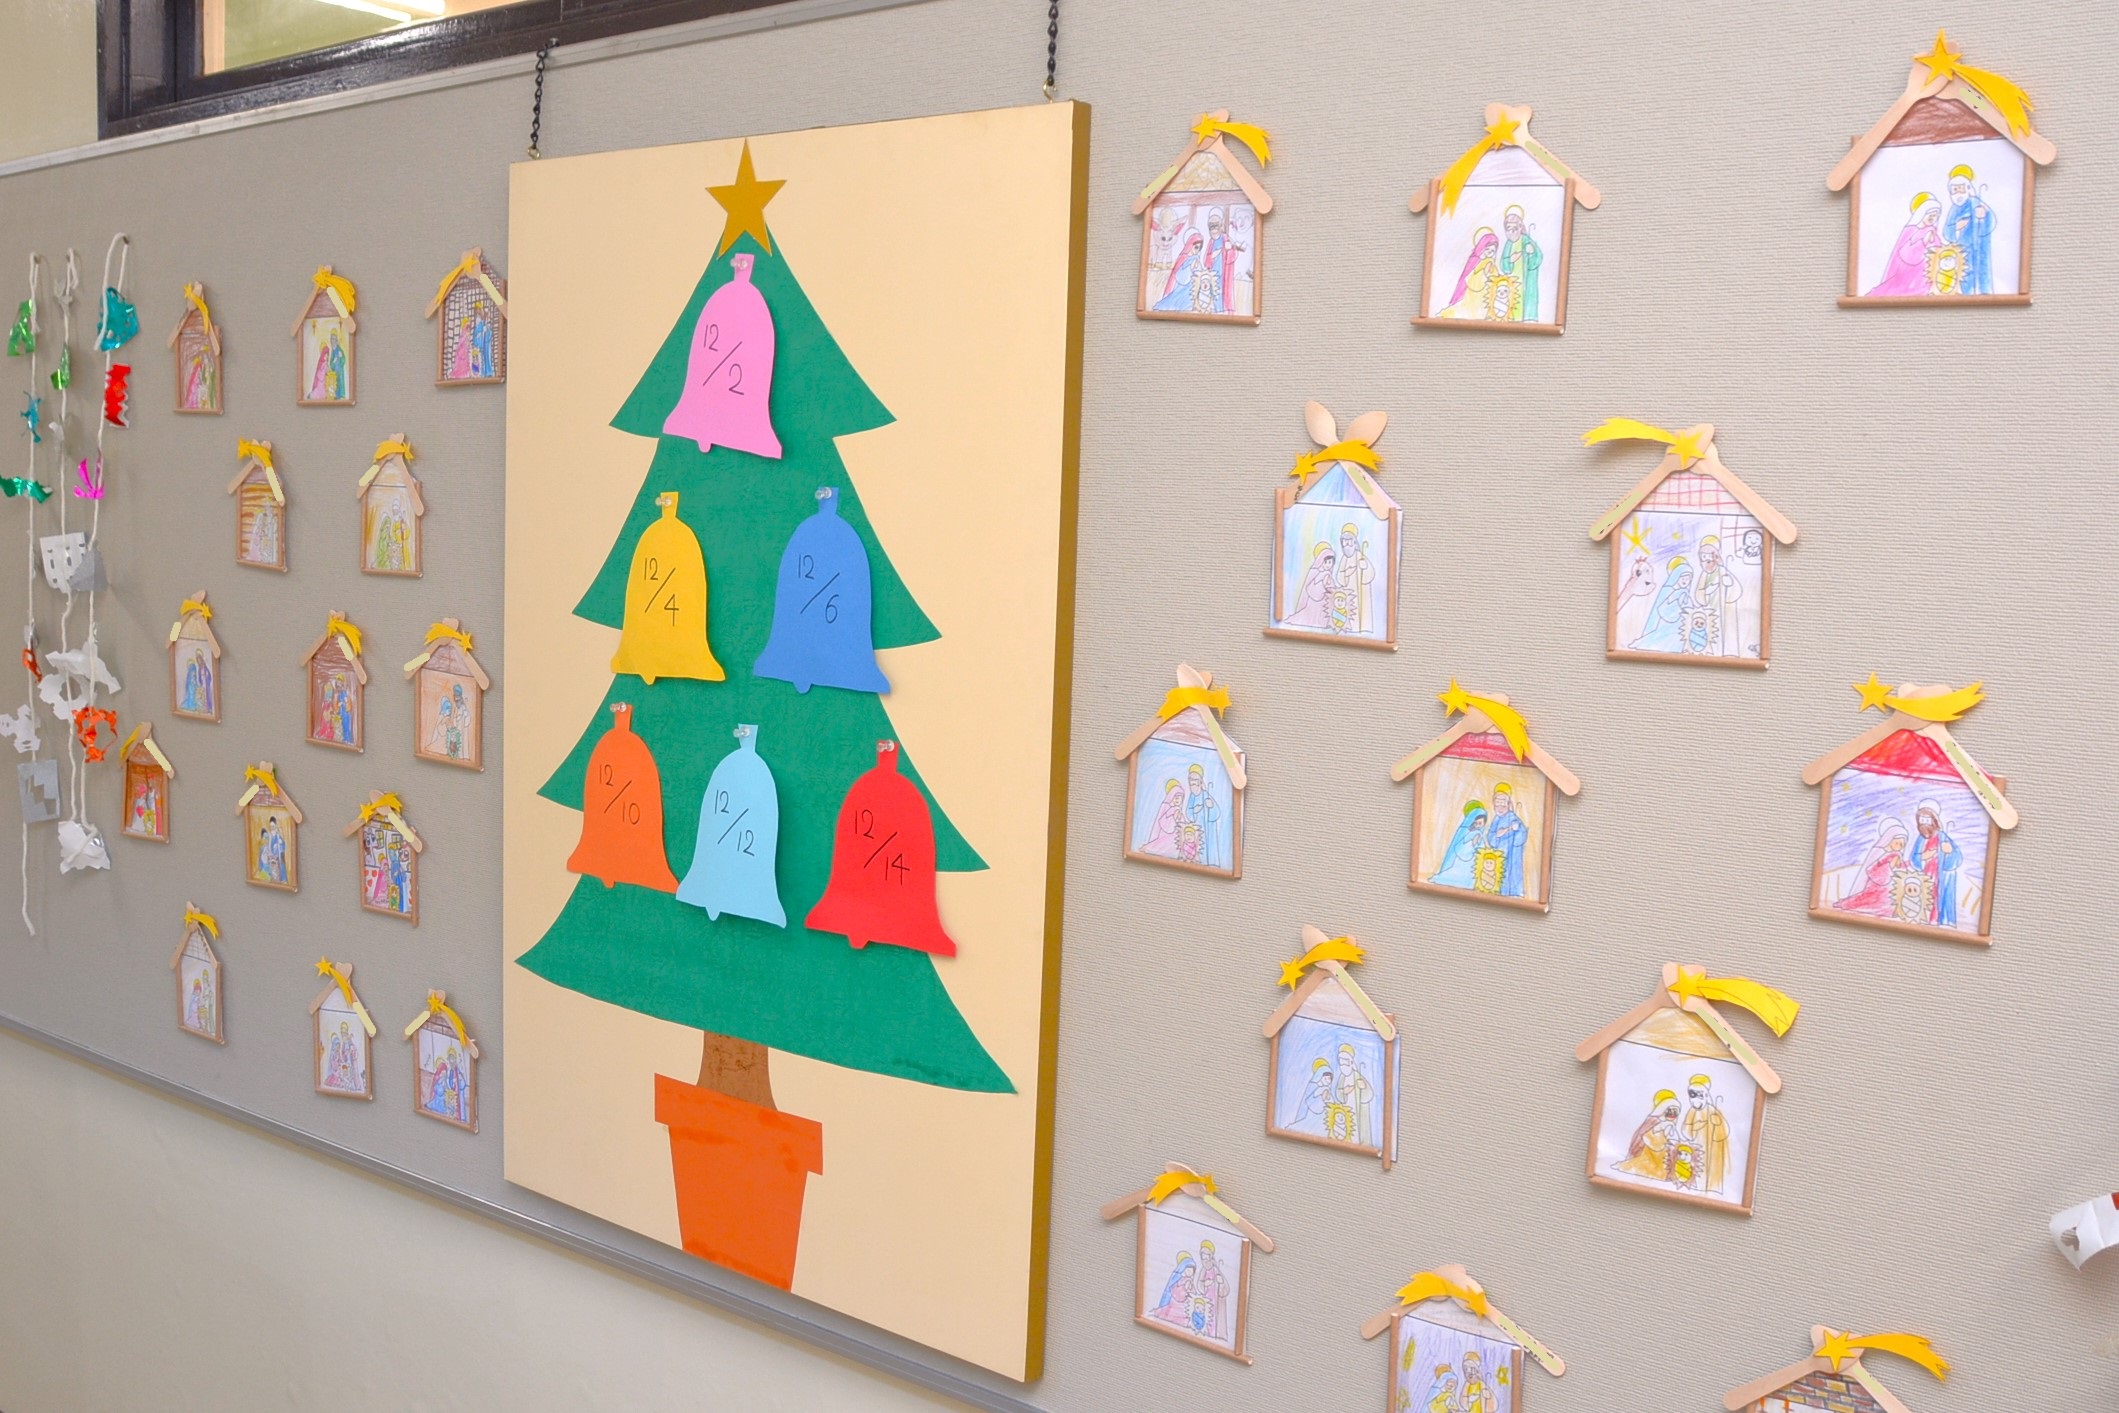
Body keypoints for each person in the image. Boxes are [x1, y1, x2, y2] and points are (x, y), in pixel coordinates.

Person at [1867, 192, 1946, 295]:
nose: (1932, 218)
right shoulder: (1911, 230)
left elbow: (1938, 251)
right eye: (1930, 215)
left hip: (1927, 277)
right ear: (1922, 214)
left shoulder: (1932, 232)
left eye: (1935, 216)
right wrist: (1923, 241)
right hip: (1908, 279)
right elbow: (1908, 257)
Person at [1835, 817, 1909, 917]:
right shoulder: (1879, 851)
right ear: (1890, 840)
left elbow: (1900, 869)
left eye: (1901, 844)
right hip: (1876, 884)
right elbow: (1874, 868)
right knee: (1872, 900)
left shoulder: (1897, 855)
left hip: (1888, 885)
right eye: (1897, 843)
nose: (1899, 846)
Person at [1910, 800, 1962, 927]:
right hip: (1926, 876)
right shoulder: (1921, 839)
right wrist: (1923, 857)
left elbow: (1958, 858)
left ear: (1934, 821)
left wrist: (1949, 852)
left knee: (1939, 900)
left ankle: (1940, 921)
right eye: (1921, 820)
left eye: (1927, 820)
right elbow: (1913, 859)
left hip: (1940, 877)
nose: (1924, 823)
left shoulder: (1942, 837)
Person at [1944, 164, 1994, 295]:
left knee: (1981, 274)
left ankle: (1984, 293)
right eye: (1954, 190)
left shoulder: (1975, 203)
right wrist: (1956, 228)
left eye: (1960, 189)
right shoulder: (1954, 209)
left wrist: (1984, 215)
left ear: (1967, 188)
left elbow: (1990, 221)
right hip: (1963, 250)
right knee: (1965, 275)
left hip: (1979, 248)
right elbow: (1946, 231)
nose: (1958, 193)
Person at [1631, 555, 1696, 653]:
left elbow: (1690, 609)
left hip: (1681, 629)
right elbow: (1661, 611)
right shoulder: (1668, 590)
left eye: (1688, 579)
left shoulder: (1685, 593)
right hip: (1667, 627)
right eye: (1682, 578)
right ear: (1676, 576)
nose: (1685, 581)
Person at [1689, 535, 1742, 655]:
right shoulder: (1704, 574)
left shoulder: (1722, 570)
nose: (1707, 562)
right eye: (1703, 558)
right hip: (1711, 609)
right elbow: (1699, 593)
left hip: (1724, 610)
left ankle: (1728, 653)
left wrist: (1729, 584)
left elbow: (1736, 590)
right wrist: (1707, 591)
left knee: (1725, 632)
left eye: (1709, 558)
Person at [1616, 1090, 1682, 1180]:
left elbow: (1675, 1139)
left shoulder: (1670, 1125)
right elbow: (1647, 1137)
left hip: (1663, 1157)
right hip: (1651, 1156)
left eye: (1675, 1111)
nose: (1672, 1114)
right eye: (1670, 1110)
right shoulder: (1655, 1122)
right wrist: (1662, 1143)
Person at [1682, 1074, 1731, 1194]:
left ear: (1706, 1095)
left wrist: (1718, 1124)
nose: (1696, 1099)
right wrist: (1696, 1127)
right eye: (1692, 1095)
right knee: (1697, 1172)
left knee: (1710, 1175)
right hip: (1697, 1149)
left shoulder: (1713, 1111)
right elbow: (1686, 1130)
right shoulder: (1692, 1111)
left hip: (1712, 1152)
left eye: (1700, 1095)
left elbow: (1723, 1133)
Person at [1428, 800, 1489, 890]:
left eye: (1480, 823)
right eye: (1476, 823)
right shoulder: (1474, 833)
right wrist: (1475, 843)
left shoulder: (1480, 833)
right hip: (1467, 857)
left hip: (1474, 857)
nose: (1478, 825)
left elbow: (1482, 845)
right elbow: (1469, 843)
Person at [1440, 229, 1500, 319]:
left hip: (1485, 295)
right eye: (1487, 249)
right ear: (1482, 248)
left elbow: (1496, 278)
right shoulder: (1476, 261)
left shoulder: (1491, 264)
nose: (1489, 252)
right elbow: (1470, 280)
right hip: (1474, 295)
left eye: (1492, 251)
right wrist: (1484, 274)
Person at [1496, 205, 1543, 321]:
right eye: (1508, 229)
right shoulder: (1508, 244)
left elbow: (1537, 259)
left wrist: (1531, 252)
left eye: (1514, 229)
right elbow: (1503, 265)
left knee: (1526, 304)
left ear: (1520, 228)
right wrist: (1510, 260)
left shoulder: (1526, 240)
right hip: (1513, 281)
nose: (1511, 232)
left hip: (1526, 281)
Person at [1485, 783, 1528, 897]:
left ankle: (1514, 892)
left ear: (1508, 804)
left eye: (1503, 805)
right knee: (1500, 874)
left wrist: (1517, 829)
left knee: (1512, 874)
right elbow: (1491, 837)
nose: (1499, 808)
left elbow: (1522, 835)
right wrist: (1497, 835)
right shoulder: (1496, 819)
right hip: (1500, 854)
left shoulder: (1513, 818)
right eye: (1497, 805)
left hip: (1512, 855)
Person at [1333, 523, 1376, 636]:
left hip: (1361, 595)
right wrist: (1346, 574)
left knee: (1361, 614)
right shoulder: (1344, 559)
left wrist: (1364, 567)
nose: (1347, 544)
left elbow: (1370, 574)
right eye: (1344, 542)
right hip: (1349, 593)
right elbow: (1339, 577)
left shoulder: (1360, 556)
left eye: (1349, 541)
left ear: (1354, 542)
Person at [1284, 543, 1339, 630]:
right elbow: (1322, 588)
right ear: (1321, 561)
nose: (1328, 565)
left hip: (1320, 602)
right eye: (1326, 562)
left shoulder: (1322, 573)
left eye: (1330, 563)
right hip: (1318, 602)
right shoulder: (1322, 574)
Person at [1151, 229, 1205, 313]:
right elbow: (1180, 277)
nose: (1197, 250)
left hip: (1192, 288)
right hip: (1181, 289)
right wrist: (1190, 268)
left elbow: (1200, 272)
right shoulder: (1183, 258)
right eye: (1196, 247)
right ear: (1190, 245)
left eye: (1199, 248)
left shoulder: (1196, 258)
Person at [1334, 1042, 1376, 1147]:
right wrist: (1344, 1092)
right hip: (1346, 1110)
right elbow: (1338, 1093)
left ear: (1351, 1062)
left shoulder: (1358, 1077)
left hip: (1358, 1111)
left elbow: (1369, 1094)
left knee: (1358, 1132)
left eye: (1345, 1063)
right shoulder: (1342, 1078)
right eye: (1341, 1063)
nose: (1343, 1066)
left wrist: (1363, 1087)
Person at [1183, 763, 1222, 871]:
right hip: (1198, 830)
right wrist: (1193, 811)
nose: (1193, 785)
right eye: (1191, 782)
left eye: (1195, 781)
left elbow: (1217, 813)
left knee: (1208, 850)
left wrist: (1211, 806)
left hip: (1208, 830)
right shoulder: (1192, 796)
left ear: (1200, 782)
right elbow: (1188, 812)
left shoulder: (1206, 795)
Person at [1193, 1240, 1230, 1340]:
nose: (1205, 1259)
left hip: (1216, 1301)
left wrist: (1221, 1282)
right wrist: (1205, 1284)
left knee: (1215, 1320)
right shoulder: (1203, 1270)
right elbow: (1199, 1284)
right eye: (1203, 1256)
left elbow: (1225, 1289)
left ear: (1211, 1256)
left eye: (1207, 1256)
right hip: (1207, 1300)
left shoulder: (1216, 1269)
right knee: (1207, 1318)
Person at [1140, 779, 1185, 858]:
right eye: (1176, 797)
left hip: (1175, 835)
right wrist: (1173, 816)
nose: (1178, 799)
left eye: (1180, 797)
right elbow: (1163, 822)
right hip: (1166, 834)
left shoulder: (1178, 809)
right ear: (1171, 796)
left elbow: (1182, 822)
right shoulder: (1167, 806)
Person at [1149, 1252, 1196, 1326]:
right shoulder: (1179, 1278)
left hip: (1182, 1303)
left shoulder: (1189, 1281)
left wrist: (1189, 1290)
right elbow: (1173, 1287)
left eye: (1191, 1271)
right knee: (1169, 1311)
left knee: (1180, 1313)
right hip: (1175, 1301)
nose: (1190, 1272)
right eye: (1188, 1270)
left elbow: (1192, 1291)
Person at [1291, 1056, 1335, 1132]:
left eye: (1329, 1079)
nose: (1328, 1081)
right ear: (1319, 1076)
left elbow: (1332, 1103)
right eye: (1325, 1078)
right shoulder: (1313, 1086)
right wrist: (1319, 1092)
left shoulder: (1327, 1089)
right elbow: (1309, 1102)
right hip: (1311, 1116)